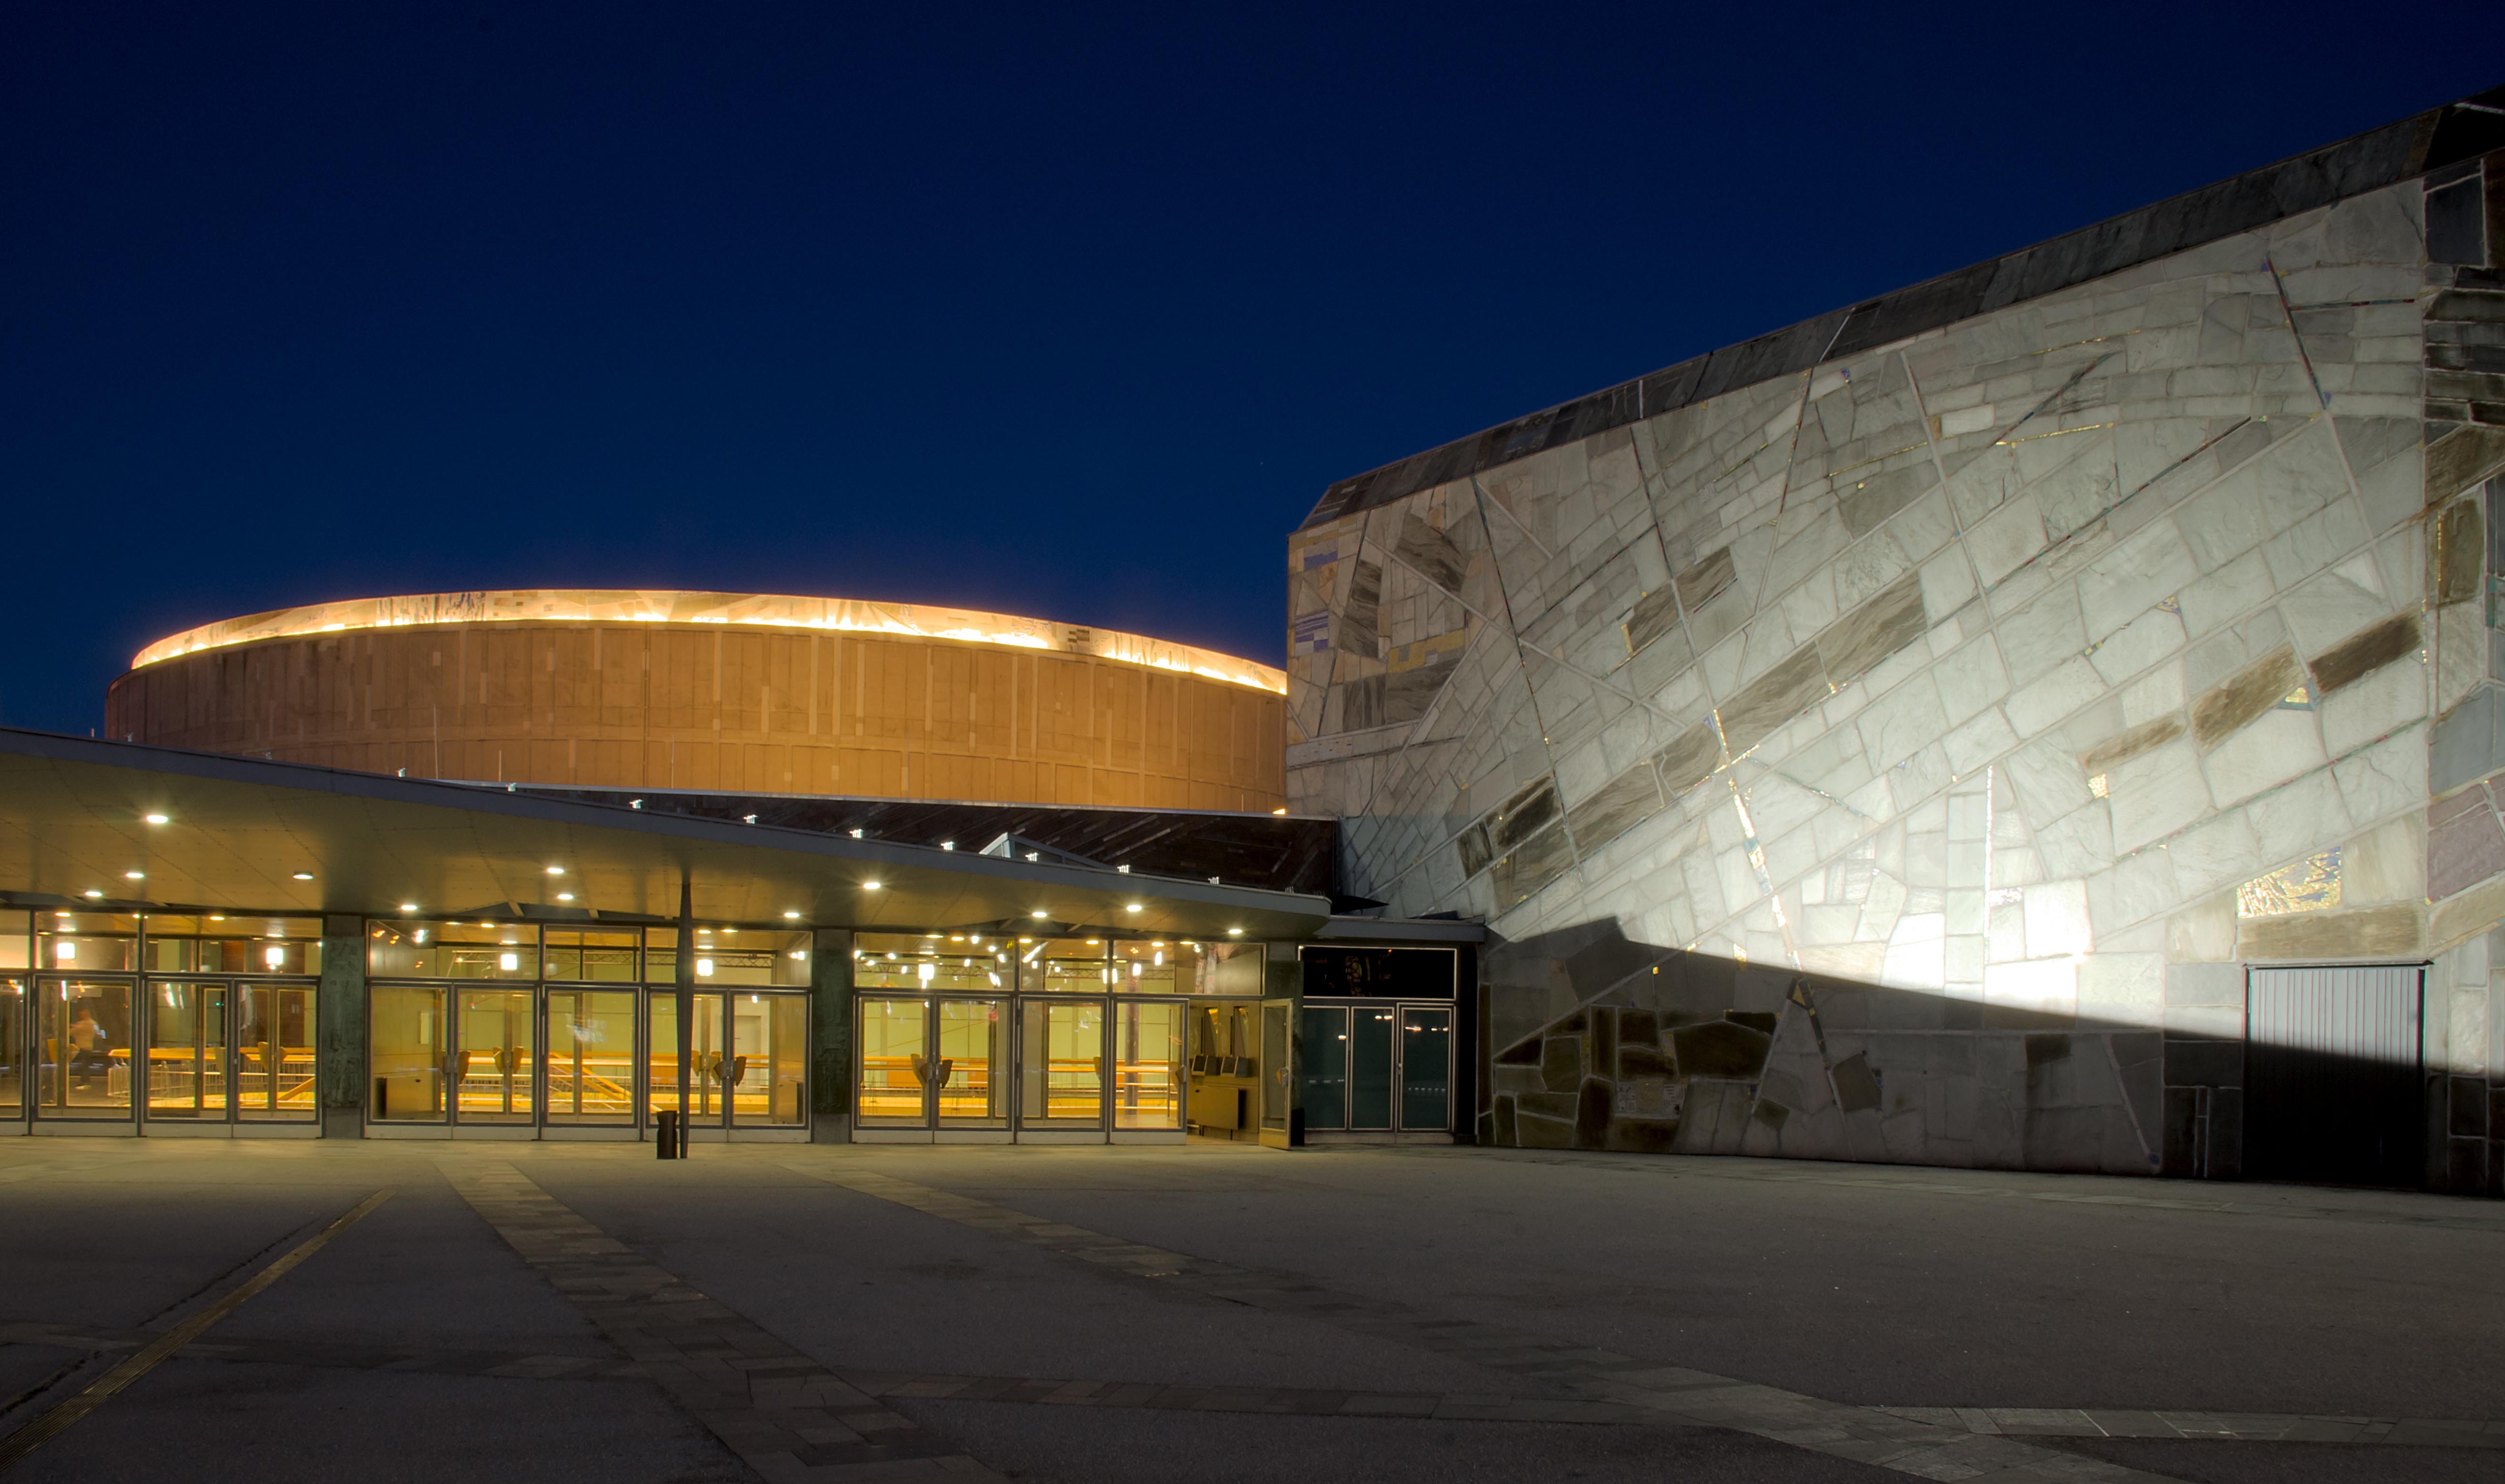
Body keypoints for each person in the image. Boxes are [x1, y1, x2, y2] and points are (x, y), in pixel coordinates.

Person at [67, 1004, 111, 1083]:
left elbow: (75, 1031)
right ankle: (84, 1080)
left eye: (82, 1014)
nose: (81, 1016)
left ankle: (85, 1081)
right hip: (84, 1047)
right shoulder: (88, 1024)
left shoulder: (88, 1024)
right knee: (84, 1065)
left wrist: (74, 1027)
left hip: (85, 1047)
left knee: (84, 1065)